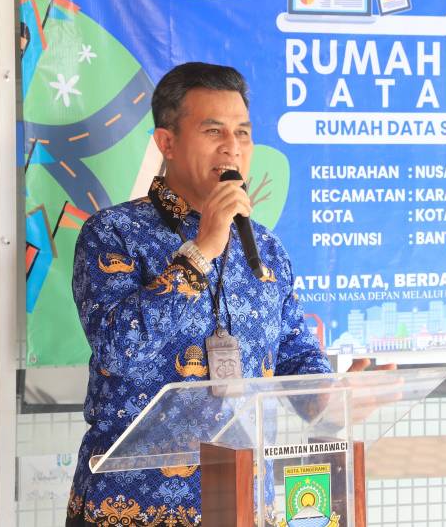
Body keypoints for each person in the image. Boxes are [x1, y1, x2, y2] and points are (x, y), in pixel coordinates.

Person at [64, 62, 335, 526]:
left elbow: (296, 356)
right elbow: (117, 350)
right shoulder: (113, 233)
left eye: (243, 132)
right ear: (166, 143)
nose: (232, 146)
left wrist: (334, 396)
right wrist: (202, 248)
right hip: (130, 508)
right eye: (214, 131)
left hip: (243, 504)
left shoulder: (267, 249)